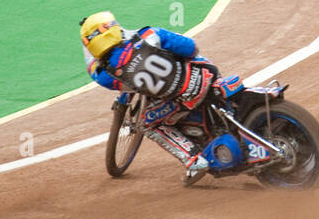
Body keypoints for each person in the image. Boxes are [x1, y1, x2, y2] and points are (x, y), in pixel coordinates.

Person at [80, 11, 249, 184]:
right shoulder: (150, 34)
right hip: (207, 74)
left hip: (185, 98)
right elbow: (191, 47)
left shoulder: (106, 75)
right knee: (194, 59)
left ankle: (193, 161)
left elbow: (116, 80)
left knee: (147, 124)